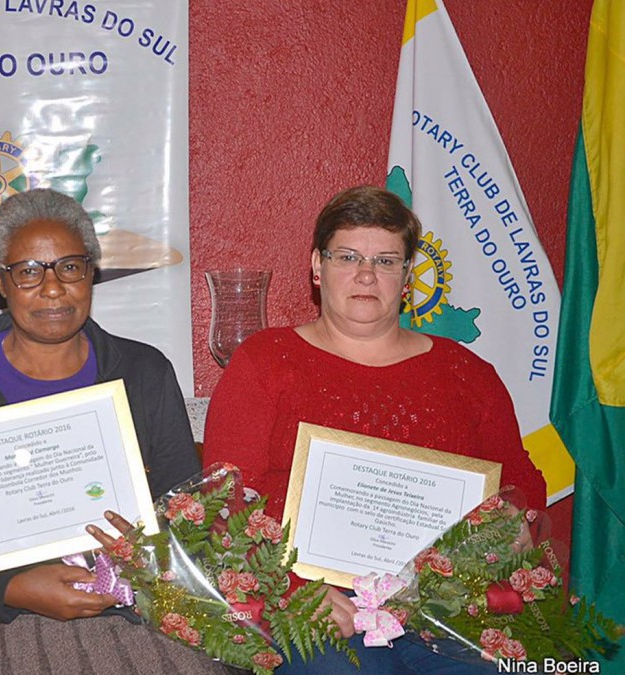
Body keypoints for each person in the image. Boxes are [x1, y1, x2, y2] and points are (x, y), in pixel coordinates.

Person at [203, 186, 547, 674]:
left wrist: (516, 524)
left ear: (407, 276)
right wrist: (296, 588)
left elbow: (519, 480)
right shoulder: (265, 362)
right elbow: (224, 501)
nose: (367, 274)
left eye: (387, 261)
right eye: (348, 256)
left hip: (444, 603)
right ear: (317, 266)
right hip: (315, 605)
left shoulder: (468, 373)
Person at [0, 188, 225, 673]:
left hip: (140, 609)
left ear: (91, 273)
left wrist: (142, 558)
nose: (52, 289)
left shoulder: (144, 373)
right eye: (27, 272)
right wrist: (8, 588)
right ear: (0, 281)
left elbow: (186, 509)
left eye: (69, 267)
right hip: (1, 616)